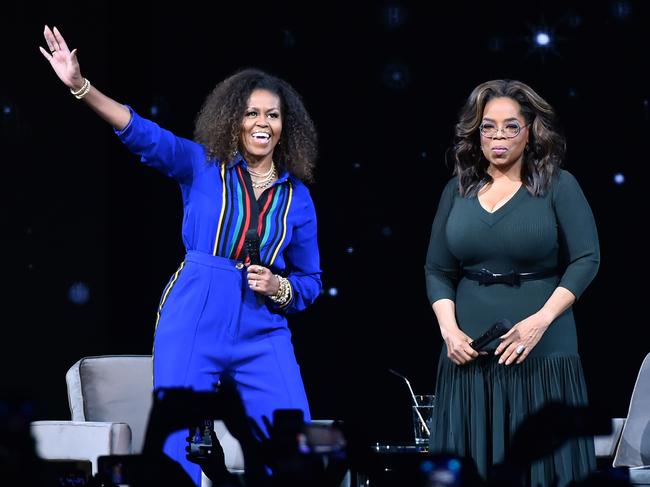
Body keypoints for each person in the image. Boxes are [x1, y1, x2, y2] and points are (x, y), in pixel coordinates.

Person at [40, 25, 322, 485]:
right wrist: (80, 87)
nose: (262, 124)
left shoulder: (299, 199)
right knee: (178, 450)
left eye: (272, 115)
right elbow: (139, 131)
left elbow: (311, 279)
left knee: (291, 443)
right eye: (251, 113)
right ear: (235, 120)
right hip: (195, 311)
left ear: (285, 125)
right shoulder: (201, 165)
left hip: (263, 328)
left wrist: (280, 286)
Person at [424, 79, 600, 487]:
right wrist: (449, 331)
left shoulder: (559, 185)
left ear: (530, 130)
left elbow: (587, 258)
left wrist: (540, 322)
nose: (498, 136)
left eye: (510, 126)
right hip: (467, 356)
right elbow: (437, 269)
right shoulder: (457, 190)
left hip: (541, 352)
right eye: (488, 127)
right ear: (476, 132)